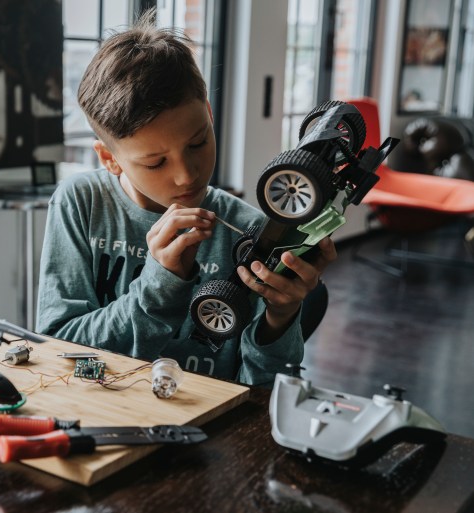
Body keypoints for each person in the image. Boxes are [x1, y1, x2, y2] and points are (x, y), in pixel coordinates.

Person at [36, 12, 336, 386]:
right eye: (155, 162)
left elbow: (258, 393)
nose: (187, 175)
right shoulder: (81, 203)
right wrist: (161, 284)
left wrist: (282, 316)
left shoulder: (251, 232)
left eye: (198, 143)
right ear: (110, 159)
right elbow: (58, 351)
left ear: (208, 115)